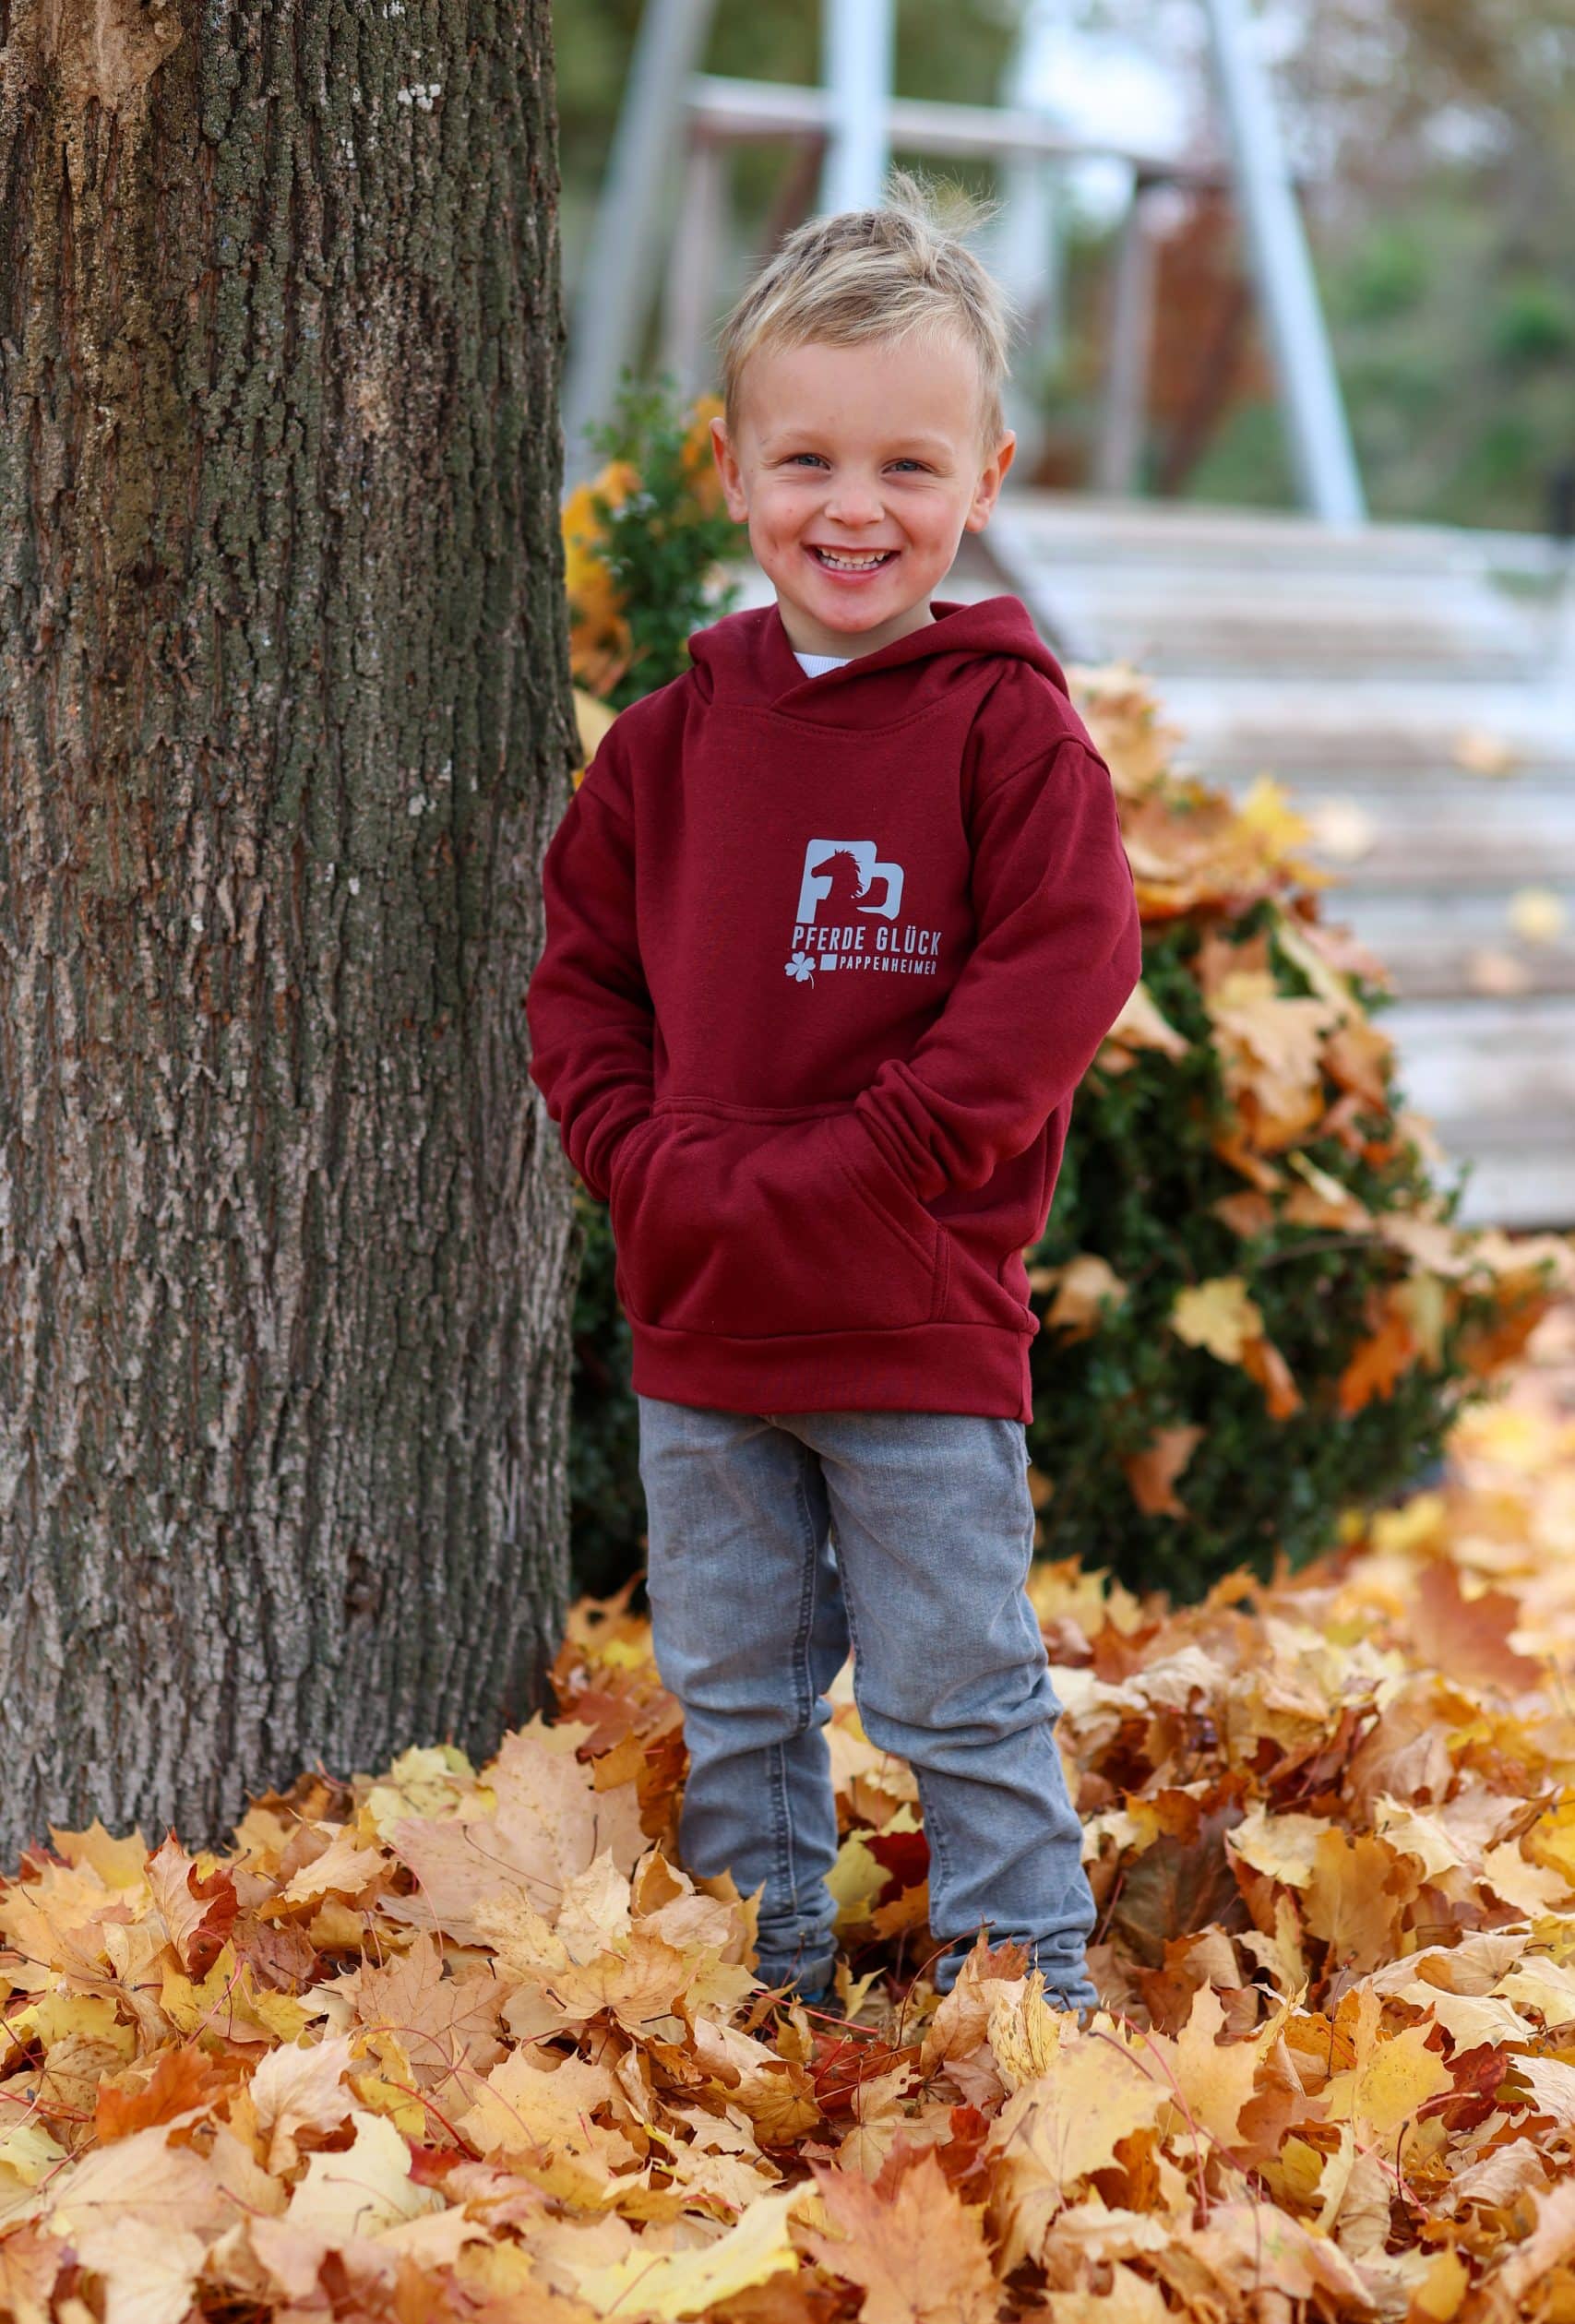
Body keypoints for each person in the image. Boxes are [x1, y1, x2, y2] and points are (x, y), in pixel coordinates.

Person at [526, 169, 1142, 2016]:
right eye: (806, 462)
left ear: (987, 478)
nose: (852, 508)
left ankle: (1022, 2018)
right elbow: (581, 979)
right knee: (733, 1697)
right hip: (704, 1313)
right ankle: (752, 1999)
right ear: (729, 465)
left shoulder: (1003, 727)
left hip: (908, 1312)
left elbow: (1060, 971)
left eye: (905, 467)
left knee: (958, 1690)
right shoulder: (668, 739)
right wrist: (639, 1160)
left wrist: (871, 1163)